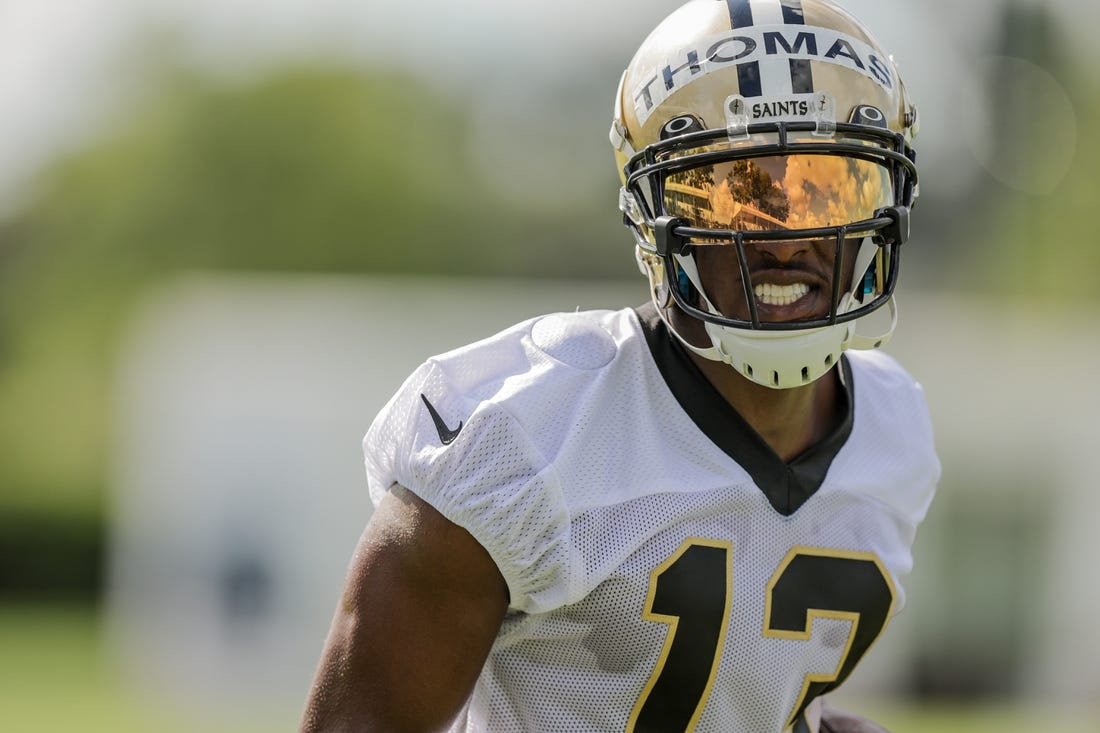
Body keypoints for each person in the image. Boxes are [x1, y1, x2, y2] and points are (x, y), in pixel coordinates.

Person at [300, 0, 940, 731]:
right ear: (656, 216)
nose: (785, 239)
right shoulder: (529, 433)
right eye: (739, 194)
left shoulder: (895, 431)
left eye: (825, 189)